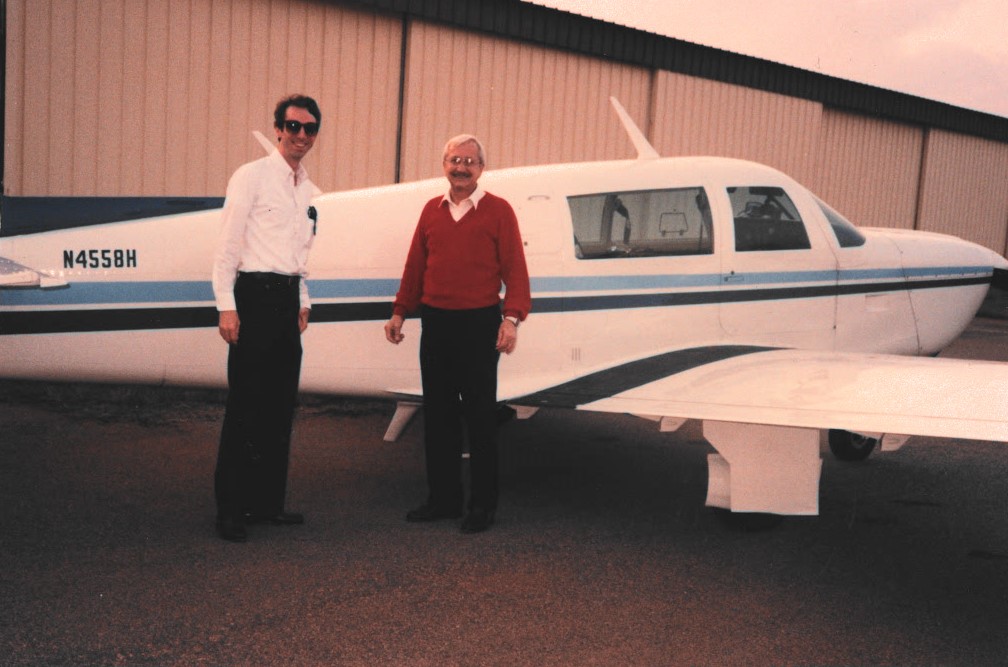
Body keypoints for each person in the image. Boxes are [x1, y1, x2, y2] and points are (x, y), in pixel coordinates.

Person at [384, 134, 531, 534]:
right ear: (444, 165)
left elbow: (516, 271)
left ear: (481, 168)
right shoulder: (431, 211)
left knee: (481, 418)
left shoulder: (499, 211)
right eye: (454, 159)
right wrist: (400, 311)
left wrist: (511, 319)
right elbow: (415, 266)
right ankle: (443, 500)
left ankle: (482, 506)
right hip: (436, 323)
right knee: (439, 416)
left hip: (480, 325)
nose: (461, 166)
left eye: (469, 160)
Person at [211, 94, 322, 542]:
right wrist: (226, 305)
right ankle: (231, 511)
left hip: (287, 301)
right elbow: (228, 245)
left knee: (279, 408)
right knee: (246, 408)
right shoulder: (251, 177)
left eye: (309, 129)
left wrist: (304, 298)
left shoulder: (306, 188)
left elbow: (301, 253)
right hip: (253, 298)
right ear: (277, 129)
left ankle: (267, 504)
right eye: (292, 126)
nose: (300, 135)